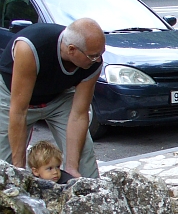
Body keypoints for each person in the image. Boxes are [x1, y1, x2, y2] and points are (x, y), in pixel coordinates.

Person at [0, 18, 105, 178]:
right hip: (14, 99)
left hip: (58, 98)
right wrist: (19, 172)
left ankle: (90, 191)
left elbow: (79, 114)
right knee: (5, 169)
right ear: (72, 49)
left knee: (84, 160)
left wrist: (72, 168)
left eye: (100, 54)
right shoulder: (30, 48)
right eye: (93, 56)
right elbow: (19, 111)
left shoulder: (93, 63)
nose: (98, 60)